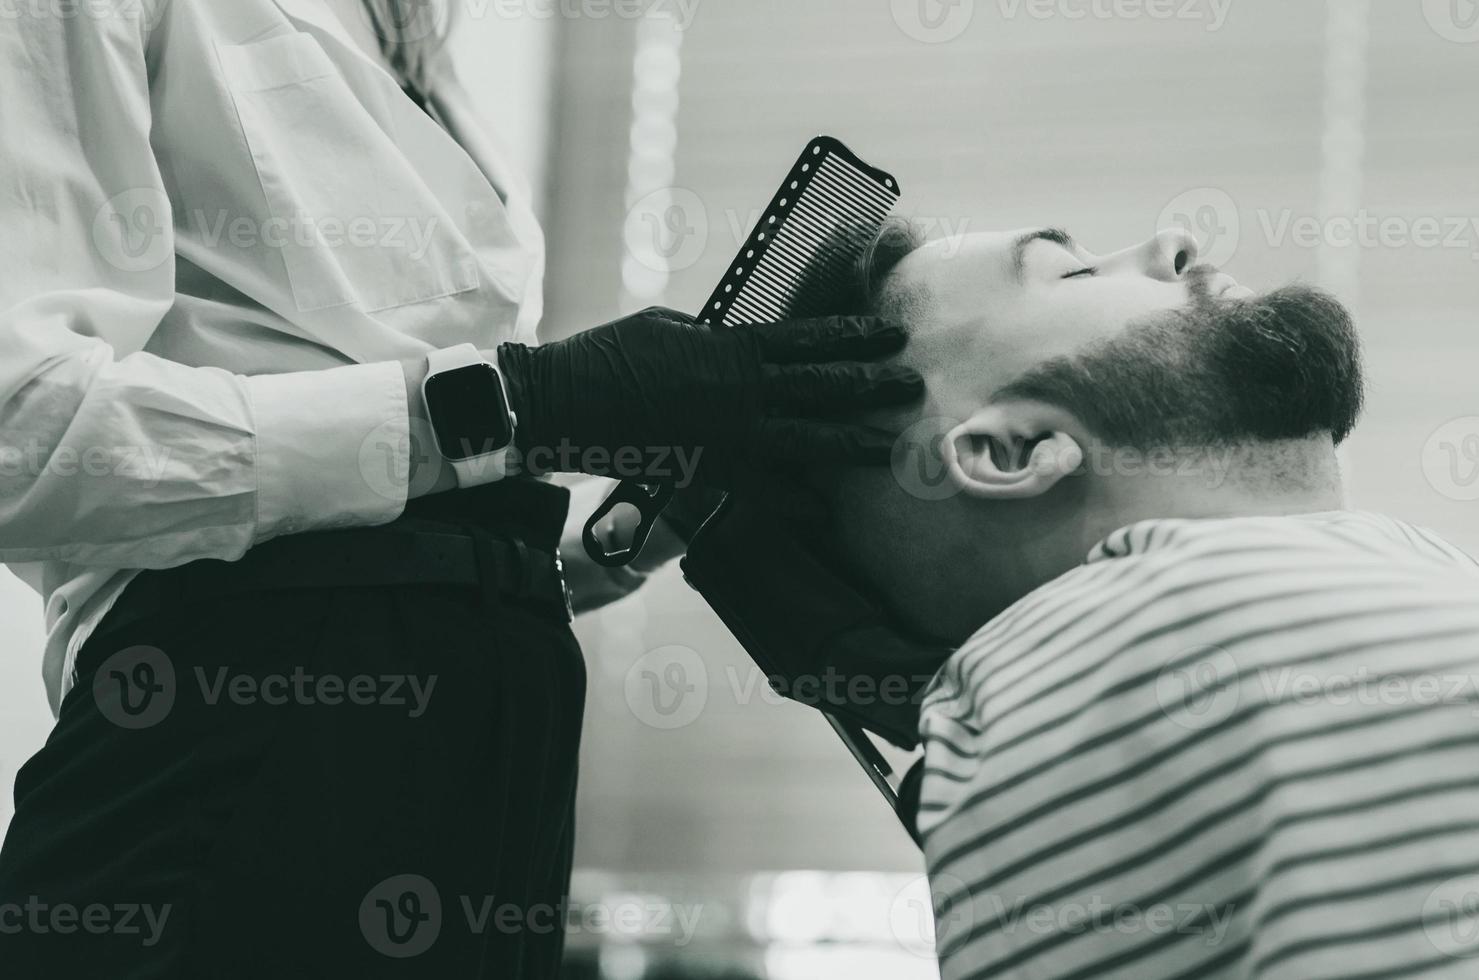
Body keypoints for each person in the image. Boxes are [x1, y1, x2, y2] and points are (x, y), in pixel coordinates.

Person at [0, 1, 921, 976]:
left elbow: (384, 503)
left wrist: (579, 550)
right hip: (242, 731)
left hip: (490, 739)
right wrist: (522, 404)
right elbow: (20, 435)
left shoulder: (408, 37)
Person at [790, 218, 1479, 978]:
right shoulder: (1113, 652)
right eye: (1073, 271)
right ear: (1015, 452)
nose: (1173, 240)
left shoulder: (1191, 647)